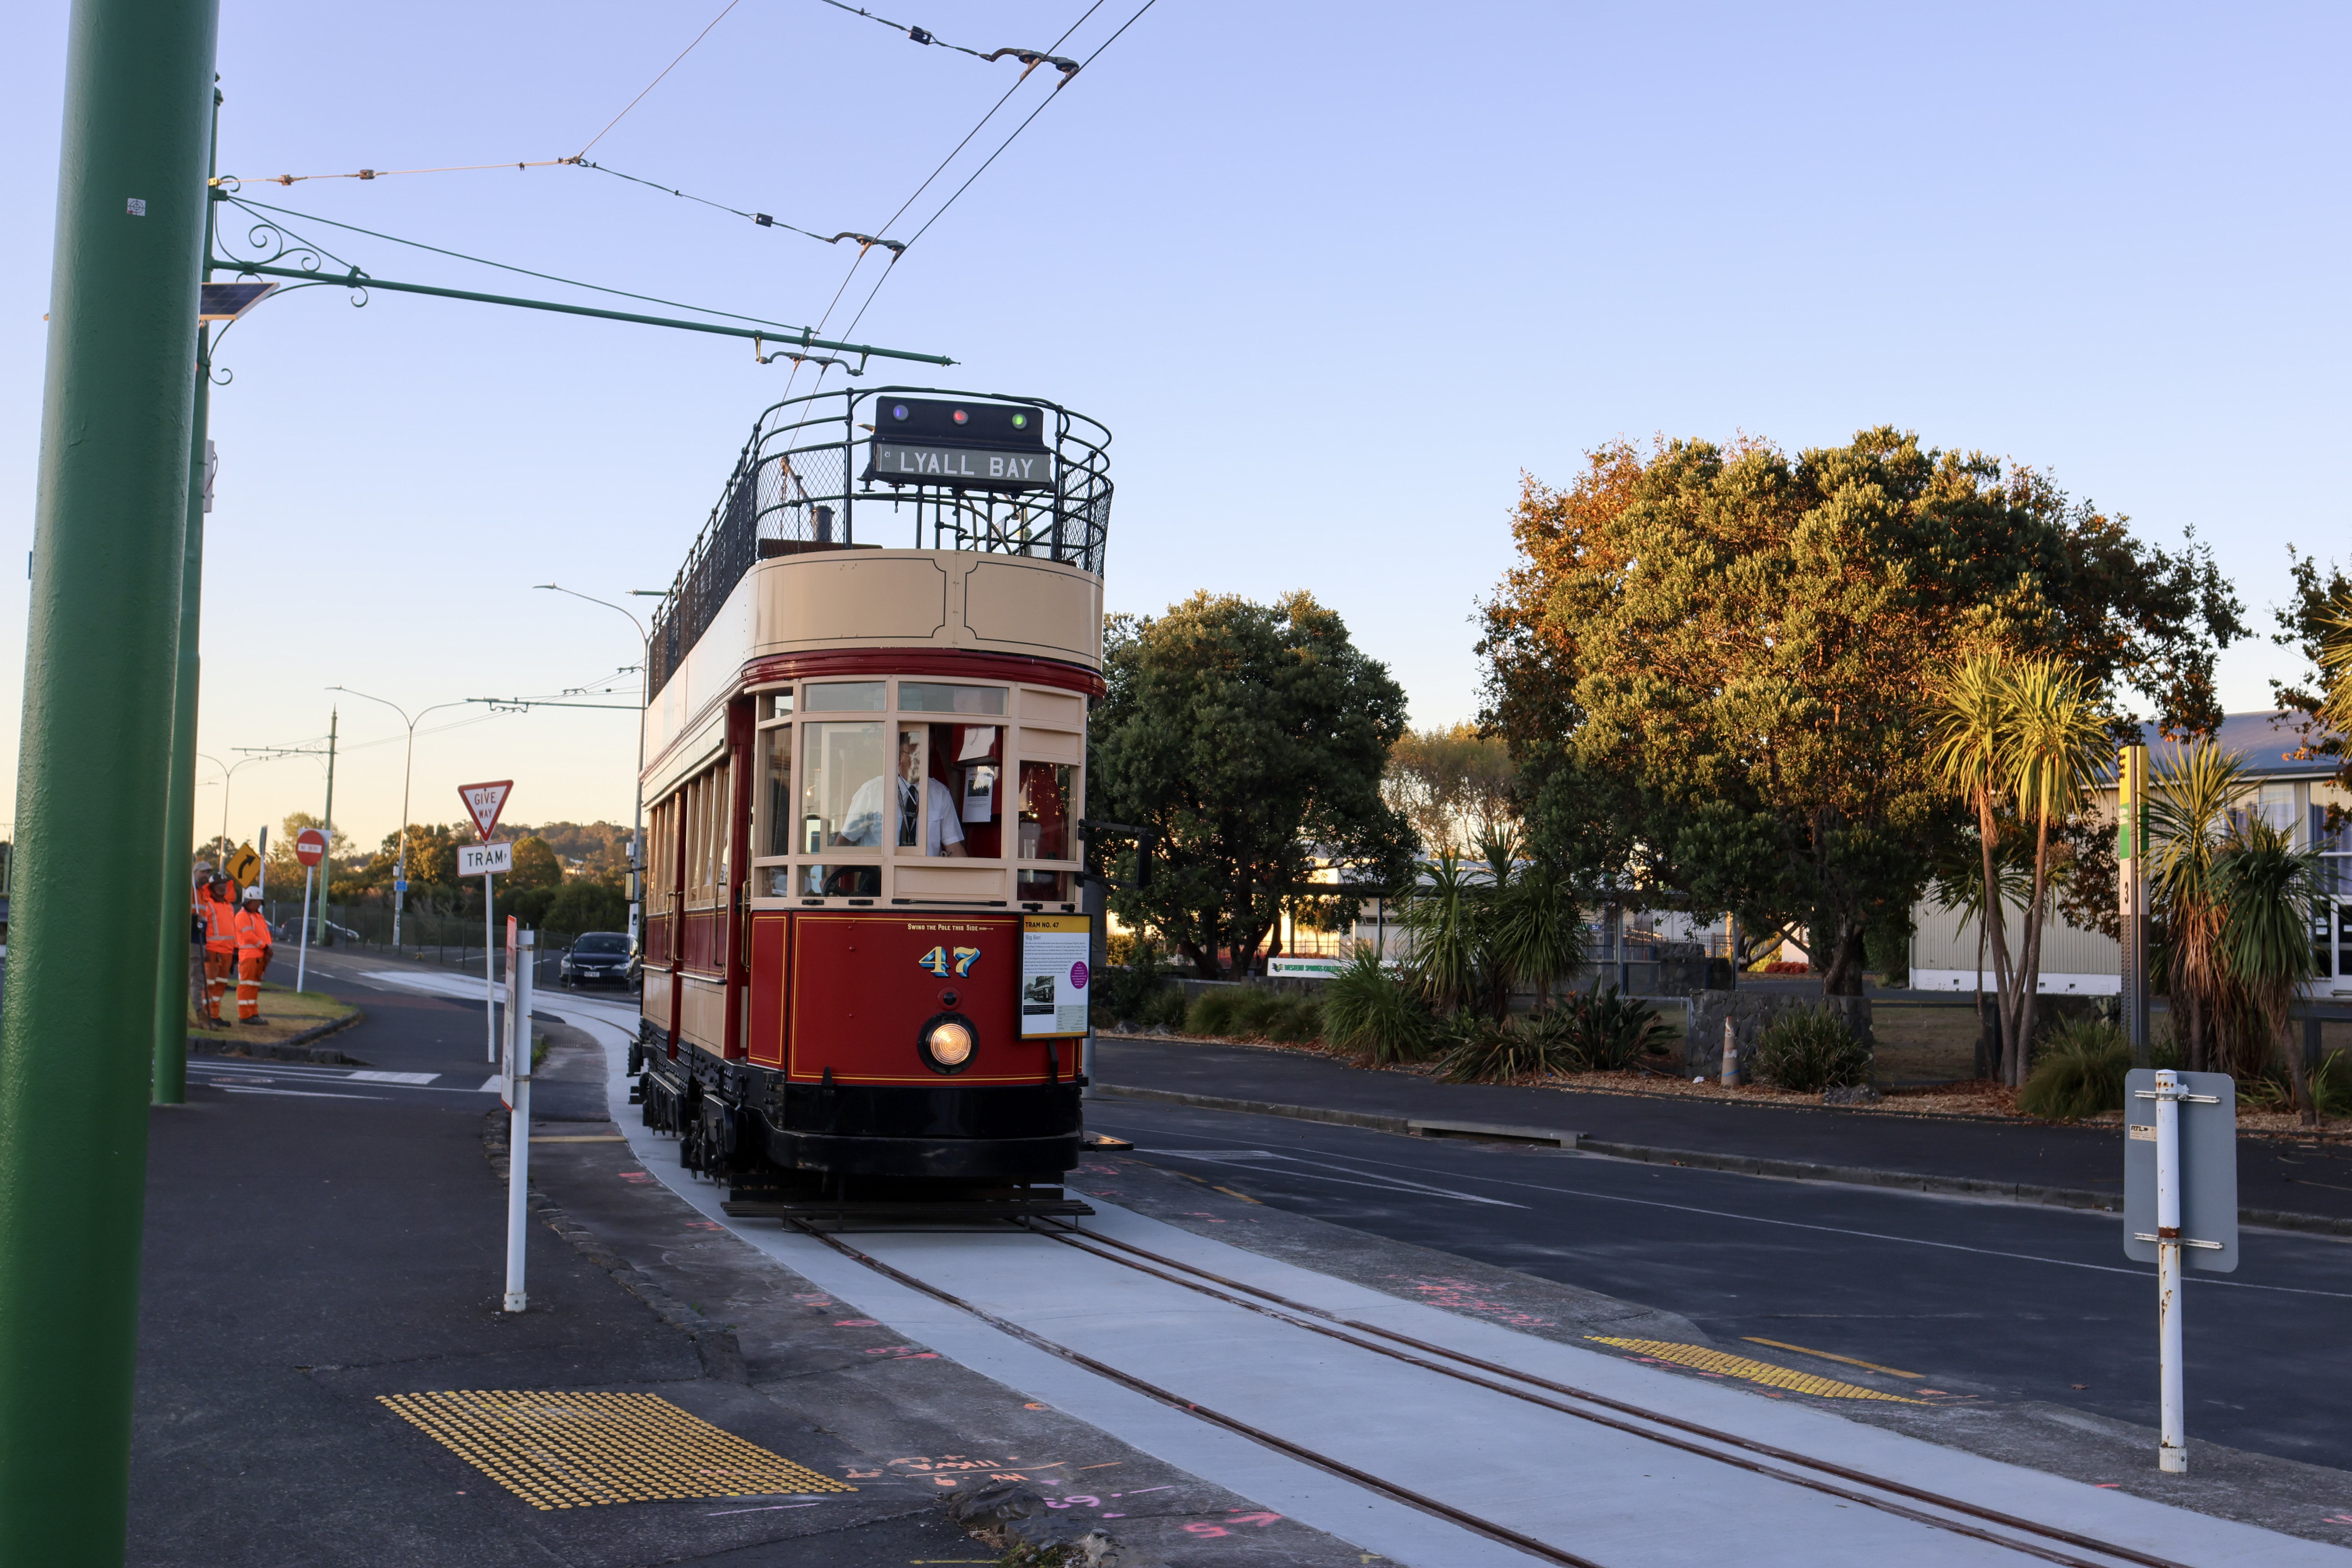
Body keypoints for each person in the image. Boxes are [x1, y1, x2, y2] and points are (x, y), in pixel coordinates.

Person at [837, 731, 966, 857]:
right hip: (879, 876)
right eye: (916, 756)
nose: (922, 762)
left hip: (924, 876)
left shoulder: (940, 794)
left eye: (925, 756)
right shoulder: (871, 792)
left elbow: (954, 847)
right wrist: (831, 878)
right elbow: (845, 840)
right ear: (899, 758)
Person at [198, 873, 239, 1024]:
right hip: (212, 952)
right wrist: (205, 950)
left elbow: (233, 930)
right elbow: (202, 929)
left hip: (227, 952)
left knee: (221, 984)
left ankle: (215, 1016)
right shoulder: (208, 906)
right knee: (209, 985)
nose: (222, 887)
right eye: (219, 885)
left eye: (224, 884)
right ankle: (208, 1016)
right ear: (212, 888)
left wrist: (236, 950)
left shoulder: (229, 906)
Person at [232, 885, 274, 1025]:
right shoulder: (242, 916)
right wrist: (265, 946)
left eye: (260, 902)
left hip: (260, 956)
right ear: (249, 902)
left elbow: (266, 934)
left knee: (254, 985)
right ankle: (245, 1015)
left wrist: (268, 949)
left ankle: (253, 1013)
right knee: (246, 985)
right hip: (249, 956)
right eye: (257, 902)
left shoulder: (258, 916)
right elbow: (249, 936)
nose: (259, 905)